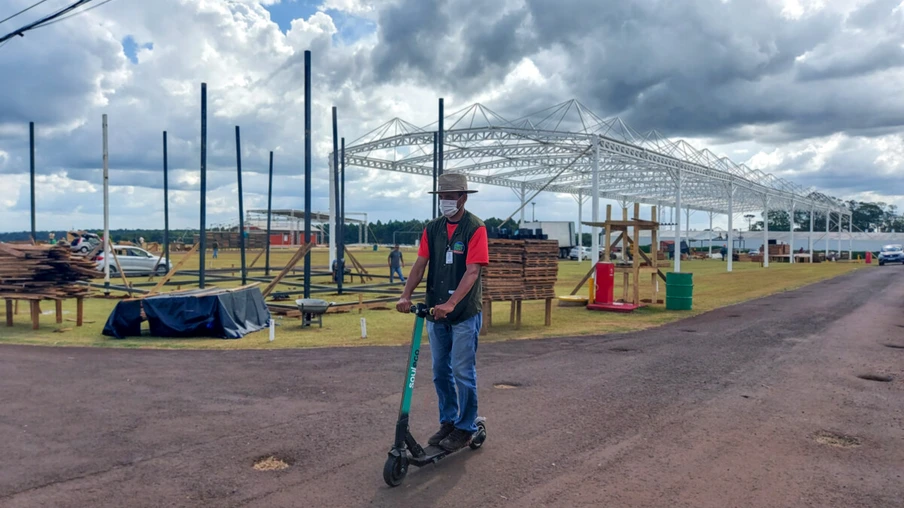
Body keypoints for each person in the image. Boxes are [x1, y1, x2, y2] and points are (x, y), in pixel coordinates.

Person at [396, 173, 489, 452]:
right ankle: (448, 421)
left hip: (463, 313)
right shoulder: (432, 229)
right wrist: (406, 295)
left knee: (462, 371)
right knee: (440, 371)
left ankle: (466, 426)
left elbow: (473, 272)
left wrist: (452, 304)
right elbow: (419, 264)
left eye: (450, 196)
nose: (445, 201)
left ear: (463, 197)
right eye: (442, 196)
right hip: (435, 311)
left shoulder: (476, 228)